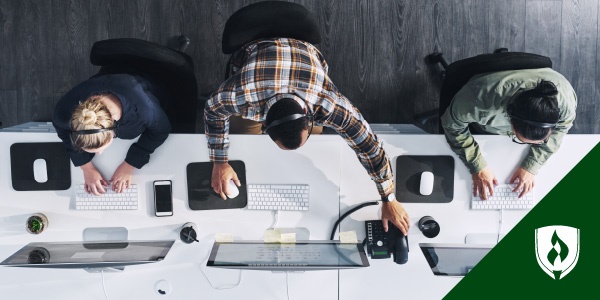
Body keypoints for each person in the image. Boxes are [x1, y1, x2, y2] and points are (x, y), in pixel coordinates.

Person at [204, 38, 410, 235]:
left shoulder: (328, 103)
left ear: (310, 120)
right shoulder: (242, 95)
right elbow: (212, 109)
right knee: (244, 143)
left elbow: (370, 147)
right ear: (263, 124)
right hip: (255, 54)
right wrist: (220, 162)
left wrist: (389, 198)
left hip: (304, 66)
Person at [441, 68, 577, 200]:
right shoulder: (477, 101)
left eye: (542, 140)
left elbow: (562, 128)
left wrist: (532, 164)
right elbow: (452, 126)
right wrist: (478, 167)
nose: (527, 145)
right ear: (510, 122)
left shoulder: (566, 102)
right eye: (520, 139)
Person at [53, 73, 172, 195]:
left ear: (113, 130)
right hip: (109, 76)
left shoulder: (143, 110)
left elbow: (161, 130)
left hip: (152, 80)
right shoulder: (64, 111)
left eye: (101, 148)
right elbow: (61, 129)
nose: (99, 153)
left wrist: (130, 163)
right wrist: (86, 167)